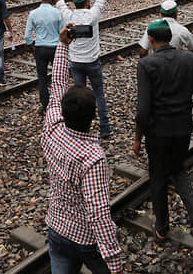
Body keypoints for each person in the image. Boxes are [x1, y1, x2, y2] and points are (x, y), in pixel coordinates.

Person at [42, 24, 122, 274]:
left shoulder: (53, 125)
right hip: (85, 240)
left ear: (64, 110)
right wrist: (115, 263)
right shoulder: (93, 158)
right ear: (93, 116)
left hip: (56, 227)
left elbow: (56, 85)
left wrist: (63, 45)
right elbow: (98, 214)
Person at [132, 19, 193, 240]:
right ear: (170, 37)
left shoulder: (146, 65)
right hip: (182, 128)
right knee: (177, 168)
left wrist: (138, 139)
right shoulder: (189, 59)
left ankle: (162, 228)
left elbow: (143, 109)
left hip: (157, 132)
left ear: (151, 39)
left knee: (158, 177)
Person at [43, 0, 116, 138]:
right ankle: (105, 128)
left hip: (75, 63)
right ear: (87, 2)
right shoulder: (93, 14)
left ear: (74, 3)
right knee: (98, 94)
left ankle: (79, 129)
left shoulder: (68, 15)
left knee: (79, 98)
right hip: (93, 62)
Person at [24, 0, 63, 115]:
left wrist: (31, 47)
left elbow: (27, 36)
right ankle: (58, 102)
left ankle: (45, 105)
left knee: (42, 77)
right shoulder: (57, 12)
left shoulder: (33, 14)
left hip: (40, 48)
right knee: (57, 77)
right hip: (55, 48)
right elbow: (62, 31)